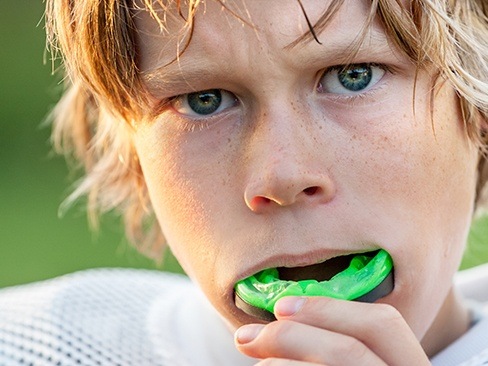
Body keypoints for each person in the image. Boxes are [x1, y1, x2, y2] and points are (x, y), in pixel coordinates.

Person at [1, 0, 488, 364]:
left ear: (478, 110)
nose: (283, 175)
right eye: (206, 100)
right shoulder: (35, 345)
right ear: (133, 157)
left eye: (352, 76)